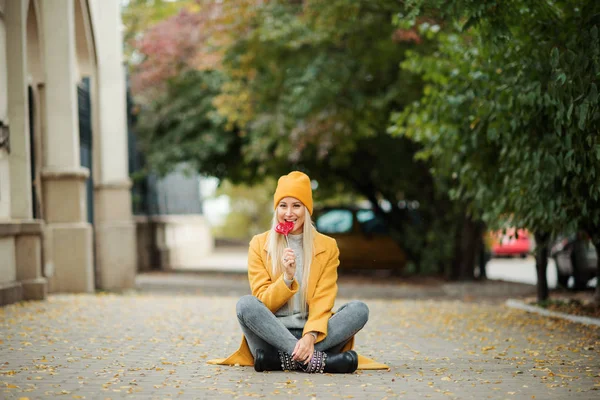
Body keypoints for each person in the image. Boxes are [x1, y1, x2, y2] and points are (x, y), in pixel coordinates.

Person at [208, 171, 388, 373]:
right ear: (276, 209)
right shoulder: (259, 244)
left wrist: (310, 337)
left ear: (307, 209)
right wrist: (286, 279)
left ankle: (281, 361)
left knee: (359, 310)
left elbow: (324, 298)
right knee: (245, 304)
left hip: (315, 336)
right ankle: (321, 361)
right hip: (271, 337)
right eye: (283, 206)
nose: (289, 213)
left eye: (296, 205)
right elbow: (262, 303)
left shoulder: (327, 246)